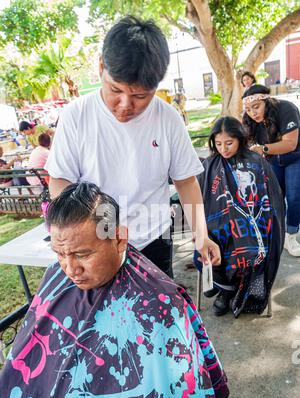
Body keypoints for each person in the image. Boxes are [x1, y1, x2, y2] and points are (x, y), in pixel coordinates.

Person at [0, 182, 229, 398]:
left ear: (119, 239)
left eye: (82, 254)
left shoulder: (161, 308)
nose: (70, 268)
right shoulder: (55, 276)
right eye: (60, 254)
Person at [45, 16, 221, 279]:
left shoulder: (168, 119)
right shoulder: (76, 115)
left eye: (140, 96)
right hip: (97, 247)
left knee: (155, 315)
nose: (125, 104)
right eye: (115, 89)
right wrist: (82, 237)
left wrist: (201, 235)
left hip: (154, 240)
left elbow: (186, 182)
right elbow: (60, 181)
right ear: (102, 67)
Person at [195, 117, 284, 317]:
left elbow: (270, 199)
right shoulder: (208, 166)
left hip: (254, 225)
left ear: (240, 139)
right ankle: (225, 291)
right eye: (218, 144)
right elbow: (199, 200)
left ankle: (233, 291)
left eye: (229, 143)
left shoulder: (256, 162)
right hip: (218, 224)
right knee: (213, 244)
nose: (223, 149)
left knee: (245, 248)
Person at [242, 84, 300, 257]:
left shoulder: (286, 109)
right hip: (274, 160)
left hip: (295, 157)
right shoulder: (251, 120)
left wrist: (263, 149)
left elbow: (290, 144)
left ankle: (291, 235)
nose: (253, 113)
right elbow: (245, 142)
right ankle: (277, 233)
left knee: (294, 196)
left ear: (267, 101)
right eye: (248, 109)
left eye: (256, 107)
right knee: (275, 198)